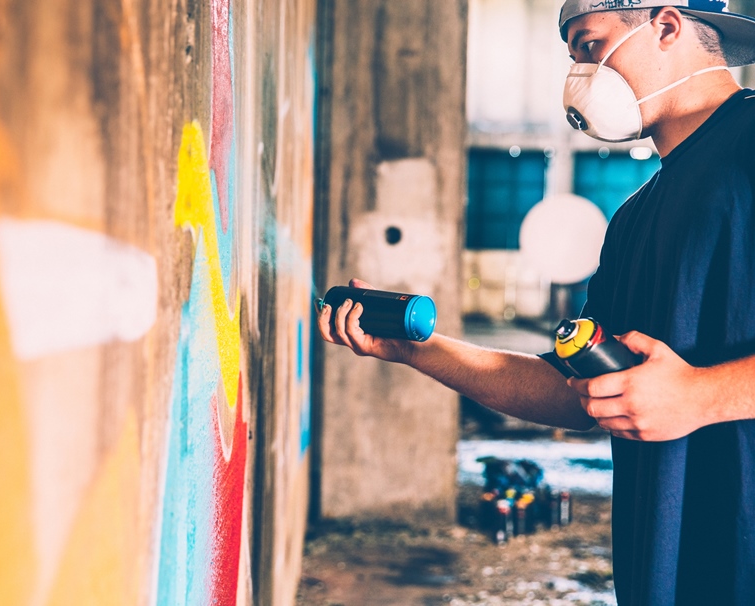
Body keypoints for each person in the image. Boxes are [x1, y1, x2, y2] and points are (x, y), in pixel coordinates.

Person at [318, 1, 755, 604]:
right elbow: (573, 393)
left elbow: (684, 398)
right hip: (669, 565)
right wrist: (416, 349)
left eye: (588, 45)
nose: (579, 71)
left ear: (667, 26)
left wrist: (700, 396)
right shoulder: (635, 217)